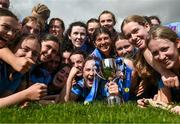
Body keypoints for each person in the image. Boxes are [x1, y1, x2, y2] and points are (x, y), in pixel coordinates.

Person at [55, 56, 120, 103]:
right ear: (82, 73)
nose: (91, 73)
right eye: (88, 70)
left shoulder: (106, 84)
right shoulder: (80, 85)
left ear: (101, 73)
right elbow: (63, 102)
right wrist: (70, 77)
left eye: (96, 70)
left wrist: (116, 95)